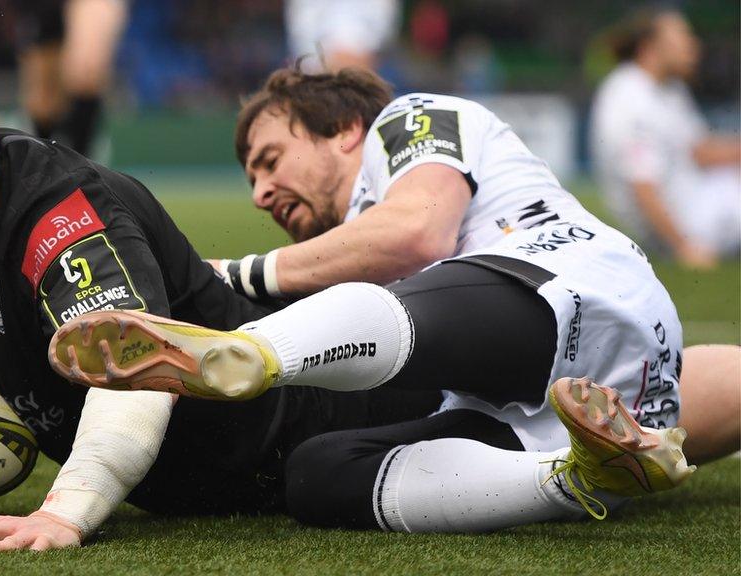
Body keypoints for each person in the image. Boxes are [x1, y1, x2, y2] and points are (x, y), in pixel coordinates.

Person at [0, 43, 445, 548]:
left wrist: (67, 512)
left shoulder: (59, 213)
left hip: (342, 415)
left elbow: (135, 369)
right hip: (189, 497)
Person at [47, 65, 703, 534]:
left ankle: (241, 357)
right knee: (319, 473)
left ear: (342, 130)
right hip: (572, 396)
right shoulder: (351, 271)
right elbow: (703, 379)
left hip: (570, 288)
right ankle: (582, 478)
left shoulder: (409, 119)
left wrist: (238, 274)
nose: (260, 194)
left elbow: (418, 234)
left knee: (395, 301)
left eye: (271, 159)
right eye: (251, 178)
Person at [591, 8, 741, 268]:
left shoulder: (669, 88)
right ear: (650, 47)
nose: (693, 44)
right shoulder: (629, 97)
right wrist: (685, 247)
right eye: (683, 36)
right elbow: (642, 187)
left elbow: (701, 152)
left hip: (698, 198)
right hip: (680, 224)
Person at [14, 0, 127, 156]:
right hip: (43, 8)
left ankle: (81, 166)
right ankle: (47, 164)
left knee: (87, 72)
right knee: (43, 103)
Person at [285, 0, 401, 72]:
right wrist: (322, 61)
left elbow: (384, 25)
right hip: (317, 61)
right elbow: (301, 28)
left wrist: (360, 52)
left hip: (365, 54)